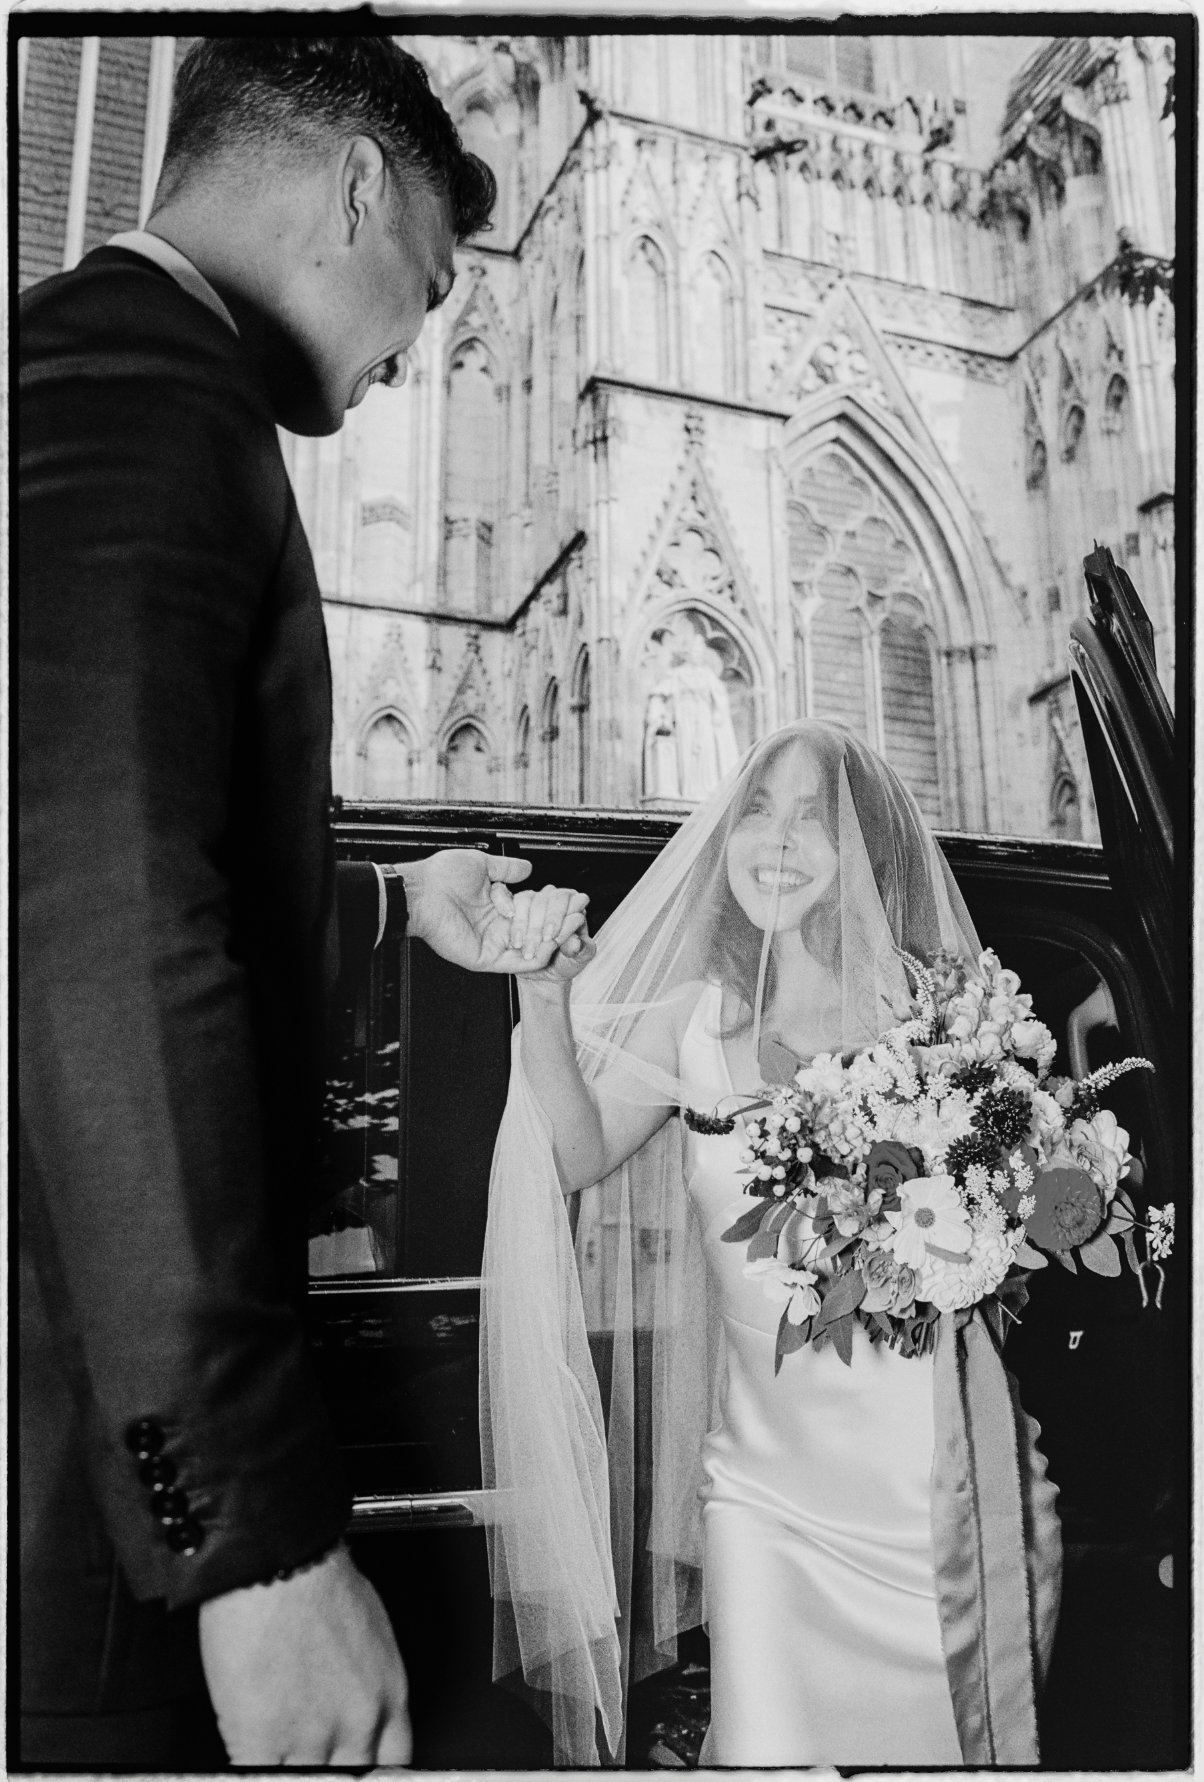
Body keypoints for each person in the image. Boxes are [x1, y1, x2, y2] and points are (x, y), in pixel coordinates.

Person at [18, 35, 588, 1770]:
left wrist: (383, 901)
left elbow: (95, 830)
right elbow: (86, 924)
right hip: (76, 1485)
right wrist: (251, 1542)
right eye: (422, 290)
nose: (413, 358)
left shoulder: (101, 376)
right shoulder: (139, 392)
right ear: (351, 182)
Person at [480, 720, 1063, 1767]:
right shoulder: (692, 1020)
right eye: (758, 808)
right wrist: (541, 1000)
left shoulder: (940, 1019)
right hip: (763, 1500)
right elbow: (569, 1156)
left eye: (813, 817)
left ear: (866, 854)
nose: (777, 839)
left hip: (945, 1497)